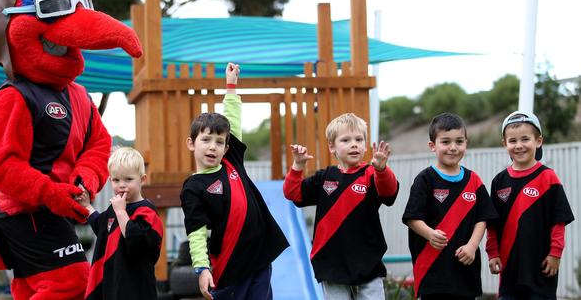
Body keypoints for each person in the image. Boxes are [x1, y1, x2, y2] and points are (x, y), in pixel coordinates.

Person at [180, 63, 289, 300]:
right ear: (191, 143)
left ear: (227, 147)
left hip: (260, 257)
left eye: (219, 142)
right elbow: (196, 232)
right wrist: (202, 268)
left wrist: (231, 87)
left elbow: (232, 121)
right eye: (206, 139)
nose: (213, 146)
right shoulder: (193, 187)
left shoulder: (231, 161)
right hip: (230, 265)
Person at [283, 112, 398, 300]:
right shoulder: (324, 176)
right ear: (332, 147)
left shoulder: (371, 174)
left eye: (359, 139)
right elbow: (293, 193)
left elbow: (389, 193)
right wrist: (297, 165)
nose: (354, 144)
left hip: (367, 261)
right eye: (346, 140)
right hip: (331, 263)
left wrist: (382, 170)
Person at [402, 112, 497, 300]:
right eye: (445, 142)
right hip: (432, 273)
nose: (453, 148)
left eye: (459, 142)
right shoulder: (425, 179)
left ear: (466, 144)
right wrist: (430, 234)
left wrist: (472, 245)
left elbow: (483, 217)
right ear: (432, 146)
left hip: (465, 275)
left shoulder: (474, 180)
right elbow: (412, 218)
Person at [485, 111, 574, 300]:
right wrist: (492, 253)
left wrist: (555, 254)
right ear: (504, 144)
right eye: (512, 141)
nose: (519, 146)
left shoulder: (548, 178)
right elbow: (492, 224)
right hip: (509, 270)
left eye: (525, 139)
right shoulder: (499, 182)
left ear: (538, 141)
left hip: (541, 268)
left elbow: (558, 221)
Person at [77, 147, 164, 300]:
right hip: (112, 282)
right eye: (116, 180)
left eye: (128, 179)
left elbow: (136, 241)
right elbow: (102, 227)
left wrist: (121, 213)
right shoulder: (115, 208)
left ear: (142, 179)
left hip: (135, 287)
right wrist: (87, 206)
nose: (121, 185)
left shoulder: (146, 211)